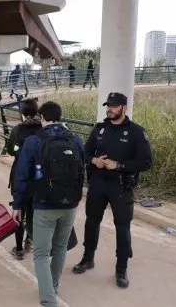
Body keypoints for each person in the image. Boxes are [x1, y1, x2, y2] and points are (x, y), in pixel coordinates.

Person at [72, 92, 152, 288]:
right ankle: (87, 258)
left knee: (122, 228)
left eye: (114, 106)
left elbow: (146, 162)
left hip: (121, 186)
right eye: (108, 105)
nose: (110, 109)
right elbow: (86, 152)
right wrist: (93, 160)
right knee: (92, 223)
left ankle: (121, 269)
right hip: (98, 183)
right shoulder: (99, 129)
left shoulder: (136, 132)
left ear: (124, 108)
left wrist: (119, 165)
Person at [13, 101, 85, 307]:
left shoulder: (34, 142)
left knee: (41, 253)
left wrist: (18, 204)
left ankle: (48, 301)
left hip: (44, 205)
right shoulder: (75, 140)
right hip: (70, 204)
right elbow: (82, 168)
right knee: (60, 248)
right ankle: (52, 288)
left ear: (42, 118)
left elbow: (22, 175)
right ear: (60, 118)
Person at [4, 98, 42, 259]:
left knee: (19, 210)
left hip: (20, 175)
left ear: (22, 113)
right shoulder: (43, 129)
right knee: (34, 211)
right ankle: (30, 240)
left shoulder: (17, 130)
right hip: (39, 176)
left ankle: (18, 248)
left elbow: (11, 150)